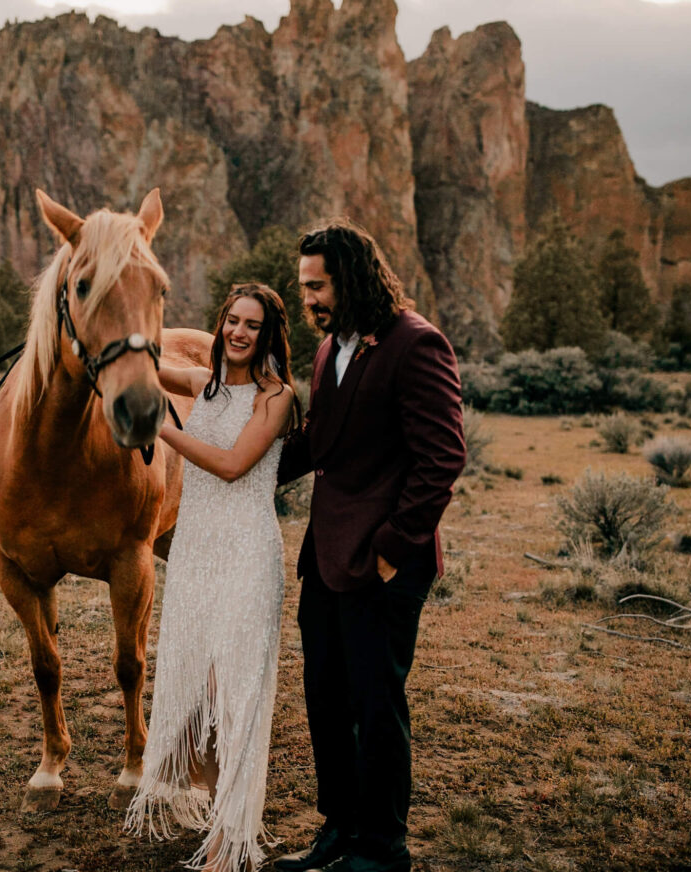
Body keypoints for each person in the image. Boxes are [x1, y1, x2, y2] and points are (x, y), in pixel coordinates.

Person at [273, 221, 466, 872]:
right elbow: (315, 442)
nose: (308, 300)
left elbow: (441, 460)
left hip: (384, 566)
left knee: (377, 705)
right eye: (303, 289)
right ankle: (339, 830)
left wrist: (390, 551)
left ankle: (382, 850)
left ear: (350, 277)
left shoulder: (416, 344)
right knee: (326, 699)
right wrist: (234, 470)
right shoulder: (332, 349)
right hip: (325, 559)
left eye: (317, 286)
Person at [126, 283, 302, 872]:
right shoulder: (209, 386)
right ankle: (212, 809)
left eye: (252, 325)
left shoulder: (275, 398)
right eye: (232, 321)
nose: (238, 333)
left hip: (247, 554)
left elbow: (230, 466)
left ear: (269, 334)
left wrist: (161, 429)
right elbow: (152, 365)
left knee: (238, 694)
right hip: (197, 553)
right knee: (197, 683)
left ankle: (233, 844)